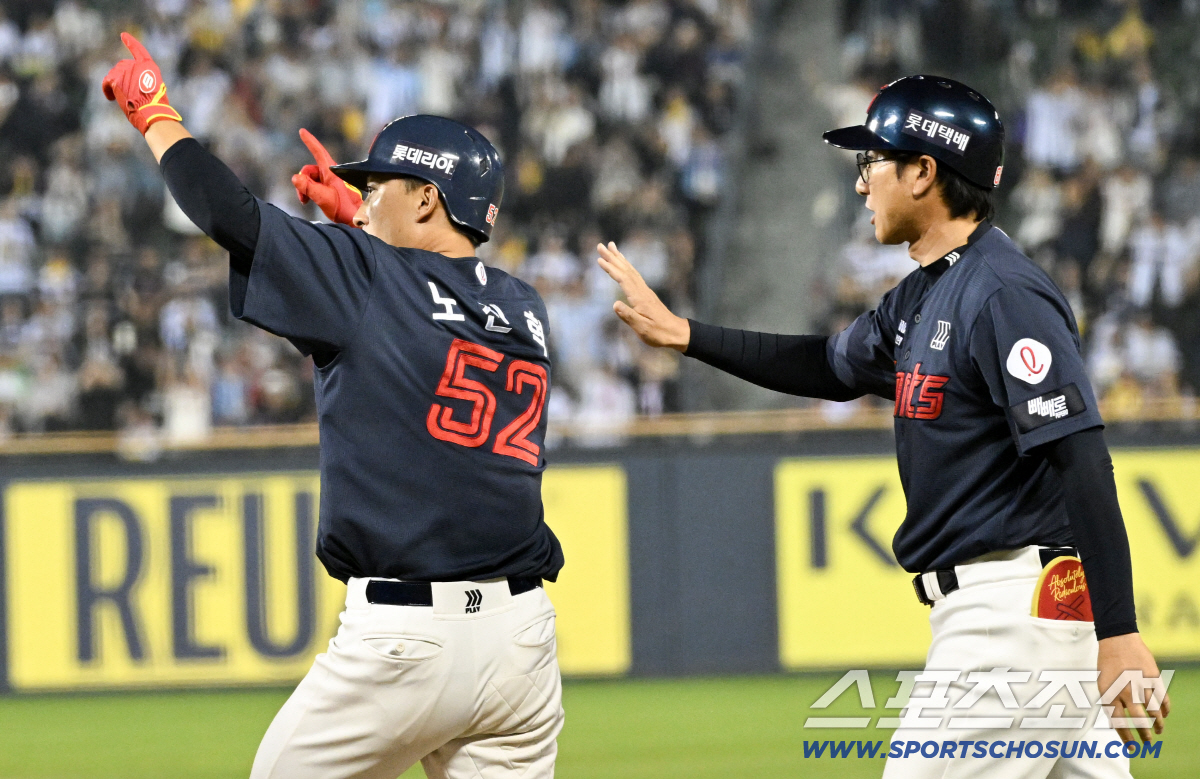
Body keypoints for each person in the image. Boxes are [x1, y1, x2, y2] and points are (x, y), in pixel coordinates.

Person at [598, 75, 1172, 777]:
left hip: (1007, 619)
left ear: (924, 172)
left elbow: (1080, 457)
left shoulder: (1002, 292)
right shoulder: (926, 292)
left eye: (874, 160)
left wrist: (1121, 630)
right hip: (1022, 619)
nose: (862, 182)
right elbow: (826, 365)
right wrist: (688, 334)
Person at [102, 34, 564, 779]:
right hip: (521, 643)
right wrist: (363, 220)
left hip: (407, 641)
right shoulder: (522, 304)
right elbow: (427, 301)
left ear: (427, 198)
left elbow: (230, 212)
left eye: (382, 182)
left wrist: (156, 113)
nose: (366, 192)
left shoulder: (370, 274)